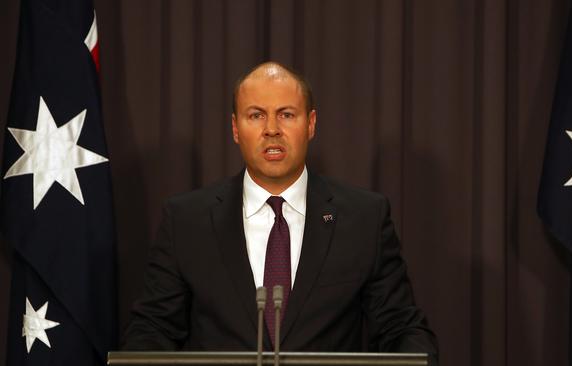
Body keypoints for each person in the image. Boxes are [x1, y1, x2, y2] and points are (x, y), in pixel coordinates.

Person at [121, 62, 438, 360]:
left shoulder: (363, 219)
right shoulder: (187, 221)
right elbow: (153, 330)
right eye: (256, 115)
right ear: (235, 128)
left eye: (286, 114)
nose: (271, 129)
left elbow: (401, 328)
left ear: (310, 124)